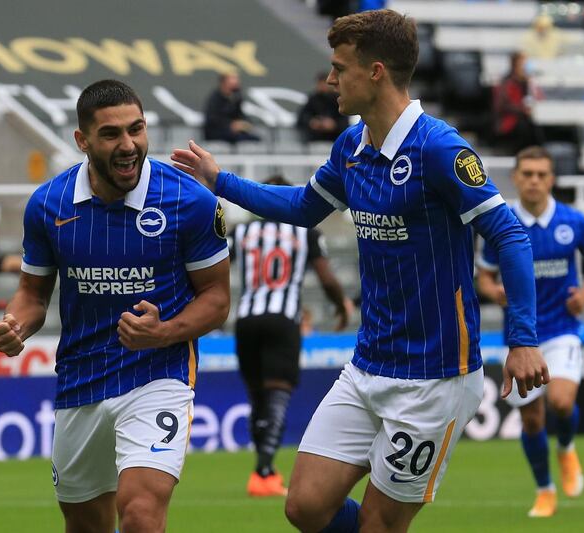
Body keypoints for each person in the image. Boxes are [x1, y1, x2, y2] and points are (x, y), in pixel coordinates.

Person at [173, 9, 549, 531]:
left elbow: (508, 233)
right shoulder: (352, 146)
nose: (330, 80)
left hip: (434, 379)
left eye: (339, 68)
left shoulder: (439, 149)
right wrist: (221, 180)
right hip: (368, 365)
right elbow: (304, 207)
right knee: (303, 507)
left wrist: (523, 338)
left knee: (379, 524)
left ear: (375, 72)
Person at [0, 79, 230, 533]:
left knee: (140, 514)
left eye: (136, 130)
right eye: (112, 134)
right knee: (85, 526)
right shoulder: (48, 205)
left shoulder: (189, 201)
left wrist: (165, 332)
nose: (129, 145)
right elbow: (33, 295)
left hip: (158, 374)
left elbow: (217, 300)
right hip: (80, 379)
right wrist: (15, 324)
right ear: (82, 140)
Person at [476, 145, 584, 518]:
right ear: (516, 178)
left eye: (541, 174)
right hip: (521, 337)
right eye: (527, 174)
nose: (534, 181)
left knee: (562, 403)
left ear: (551, 179)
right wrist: (494, 291)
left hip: (563, 329)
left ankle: (566, 448)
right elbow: (484, 276)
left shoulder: (574, 222)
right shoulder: (498, 224)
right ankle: (544, 489)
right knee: (532, 418)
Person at [229, 175, 352, 497]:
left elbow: (211, 266)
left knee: (258, 397)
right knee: (278, 394)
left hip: (246, 320)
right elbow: (326, 277)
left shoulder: (241, 232)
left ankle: (263, 468)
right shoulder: (306, 233)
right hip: (284, 320)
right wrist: (341, 306)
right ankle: (264, 471)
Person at [493, 51, 544, 155]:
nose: (524, 68)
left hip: (529, 119)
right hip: (511, 123)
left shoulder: (529, 82)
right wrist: (523, 110)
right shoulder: (507, 83)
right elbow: (501, 105)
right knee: (524, 127)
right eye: (522, 65)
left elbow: (539, 98)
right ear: (514, 66)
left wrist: (531, 83)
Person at [203, 73, 261, 144]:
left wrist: (245, 124)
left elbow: (240, 115)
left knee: (255, 138)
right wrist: (231, 125)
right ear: (224, 83)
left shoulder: (236, 97)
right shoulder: (215, 98)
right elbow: (212, 119)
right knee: (237, 138)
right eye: (232, 79)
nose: (236, 82)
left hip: (233, 133)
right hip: (216, 133)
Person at [297, 72, 350, 143]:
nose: (322, 86)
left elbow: (345, 121)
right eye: (320, 83)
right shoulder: (312, 99)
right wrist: (311, 122)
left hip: (335, 140)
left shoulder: (338, 99)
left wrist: (334, 124)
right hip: (314, 140)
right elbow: (301, 118)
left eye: (324, 83)